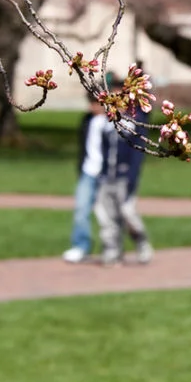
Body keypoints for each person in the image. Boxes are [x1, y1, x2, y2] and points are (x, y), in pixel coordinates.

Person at [95, 105, 153, 266]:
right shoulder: (107, 121)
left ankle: (141, 242)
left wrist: (131, 176)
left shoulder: (134, 122)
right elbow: (102, 148)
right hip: (107, 176)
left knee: (127, 212)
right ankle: (111, 250)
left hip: (124, 176)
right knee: (106, 215)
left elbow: (137, 152)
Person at [63, 94, 109, 263]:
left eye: (95, 103)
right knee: (81, 209)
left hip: (106, 174)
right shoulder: (87, 120)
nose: (92, 107)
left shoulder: (113, 122)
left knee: (107, 214)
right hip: (88, 171)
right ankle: (81, 246)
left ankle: (110, 247)